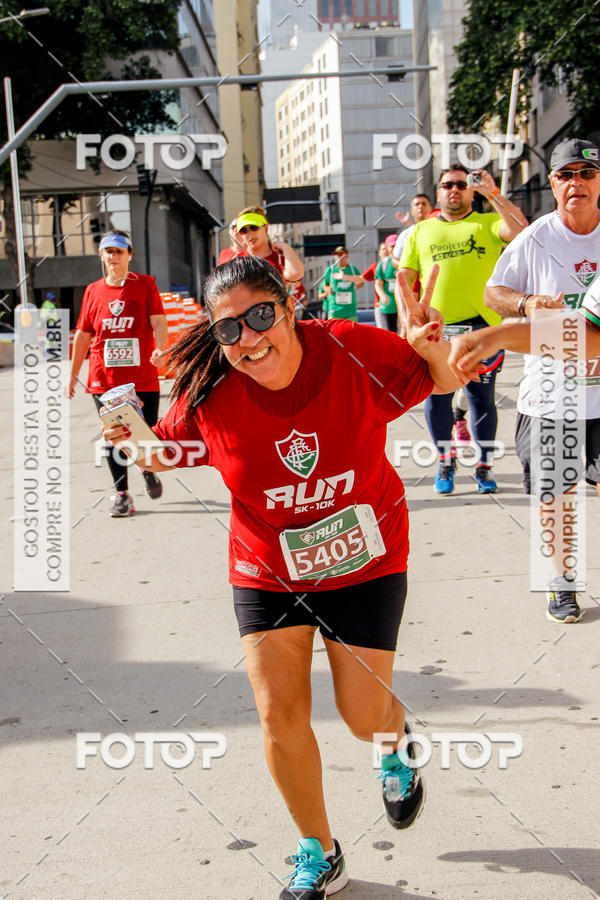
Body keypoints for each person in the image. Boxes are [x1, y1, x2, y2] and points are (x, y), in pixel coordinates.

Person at [102, 256, 462, 898]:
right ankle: (319, 850)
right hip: (266, 566)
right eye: (228, 329)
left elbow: (440, 380)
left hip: (363, 557)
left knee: (362, 715)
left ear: (289, 309)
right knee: (278, 713)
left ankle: (393, 742)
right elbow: (167, 450)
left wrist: (431, 349)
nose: (248, 338)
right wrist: (132, 439)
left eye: (260, 316)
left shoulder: (351, 349)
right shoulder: (210, 391)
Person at [472, 138, 600, 623]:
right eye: (566, 175)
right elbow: (494, 293)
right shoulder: (536, 237)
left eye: (586, 174)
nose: (576, 183)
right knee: (557, 498)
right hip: (550, 399)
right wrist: (526, 303)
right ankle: (562, 582)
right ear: (552, 183)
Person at [399, 165, 528, 494]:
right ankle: (445, 461)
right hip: (436, 331)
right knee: (437, 397)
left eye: (461, 184)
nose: (454, 190)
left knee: (481, 399)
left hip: (481, 330)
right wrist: (407, 322)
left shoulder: (488, 222)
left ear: (471, 191)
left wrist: (493, 193)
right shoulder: (420, 231)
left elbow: (521, 232)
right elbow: (404, 282)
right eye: (447, 185)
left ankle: (484, 467)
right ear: (438, 192)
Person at [67, 230, 167, 517]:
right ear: (102, 255)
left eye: (119, 251)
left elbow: (159, 321)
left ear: (129, 255)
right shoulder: (92, 291)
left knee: (145, 432)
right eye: (108, 251)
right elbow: (83, 335)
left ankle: (146, 468)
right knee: (113, 435)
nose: (113, 256)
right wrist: (73, 374)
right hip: (104, 378)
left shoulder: (145, 284)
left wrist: (161, 348)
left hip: (141, 375)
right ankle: (122, 495)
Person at [234, 205, 304, 284]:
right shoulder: (238, 261)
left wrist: (285, 247)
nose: (249, 234)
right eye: (244, 230)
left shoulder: (279, 259)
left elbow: (295, 274)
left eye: (254, 227)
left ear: (265, 227)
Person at [319, 246, 363, 322]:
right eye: (337, 255)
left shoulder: (352, 269)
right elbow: (323, 285)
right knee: (333, 329)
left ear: (347, 256)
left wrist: (356, 287)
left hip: (350, 311)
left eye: (341, 254)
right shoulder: (330, 270)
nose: (339, 257)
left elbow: (361, 281)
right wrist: (327, 290)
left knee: (352, 329)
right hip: (334, 310)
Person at [392, 194, 434, 265]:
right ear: (412, 211)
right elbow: (395, 259)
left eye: (424, 204)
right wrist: (409, 268)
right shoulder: (405, 234)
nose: (420, 206)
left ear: (431, 208)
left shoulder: (440, 229)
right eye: (417, 204)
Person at [360, 242, 390, 329]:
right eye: (383, 249)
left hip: (396, 305)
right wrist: (344, 276)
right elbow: (361, 278)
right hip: (381, 305)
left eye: (387, 248)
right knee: (383, 331)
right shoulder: (376, 266)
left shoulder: (397, 266)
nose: (386, 251)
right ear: (379, 252)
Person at [374, 234, 400, 331]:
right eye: (392, 246)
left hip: (403, 305)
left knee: (404, 333)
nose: (394, 248)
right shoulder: (383, 264)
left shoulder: (406, 261)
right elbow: (378, 283)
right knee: (390, 332)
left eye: (396, 245)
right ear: (388, 247)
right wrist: (382, 295)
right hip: (389, 305)